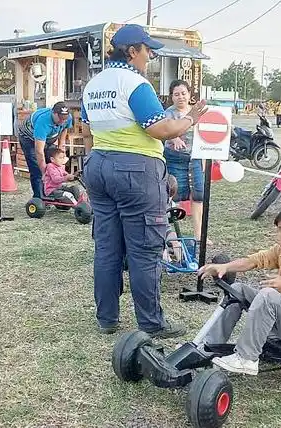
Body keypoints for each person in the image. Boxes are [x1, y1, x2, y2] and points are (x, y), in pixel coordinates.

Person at [81, 24, 208, 337]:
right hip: (136, 171)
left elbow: (87, 130)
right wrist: (192, 119)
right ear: (132, 51)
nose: (150, 56)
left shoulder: (93, 85)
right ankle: (151, 323)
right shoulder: (135, 84)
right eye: (148, 50)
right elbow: (161, 130)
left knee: (107, 248)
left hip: (98, 165)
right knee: (144, 250)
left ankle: (107, 318)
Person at [197, 203, 281, 375]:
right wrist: (224, 266)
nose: (278, 237)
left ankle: (246, 358)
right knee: (238, 289)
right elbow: (254, 260)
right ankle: (209, 346)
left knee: (268, 295)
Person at [163, 80, 208, 245]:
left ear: (189, 95)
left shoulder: (197, 113)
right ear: (172, 97)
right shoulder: (168, 113)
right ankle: (171, 235)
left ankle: (199, 235)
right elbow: (165, 129)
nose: (181, 97)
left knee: (198, 195)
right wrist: (174, 137)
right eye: (176, 94)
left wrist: (204, 159)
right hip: (174, 158)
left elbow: (206, 136)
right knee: (172, 194)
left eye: (183, 93)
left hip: (195, 158)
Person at [18, 101, 73, 199]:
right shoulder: (43, 122)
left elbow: (64, 130)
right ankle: (39, 198)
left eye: (64, 118)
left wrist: (60, 150)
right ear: (53, 113)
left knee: (54, 162)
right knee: (37, 169)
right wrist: (44, 172)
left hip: (48, 138)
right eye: (60, 118)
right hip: (28, 138)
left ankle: (54, 193)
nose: (62, 121)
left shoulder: (67, 119)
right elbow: (39, 151)